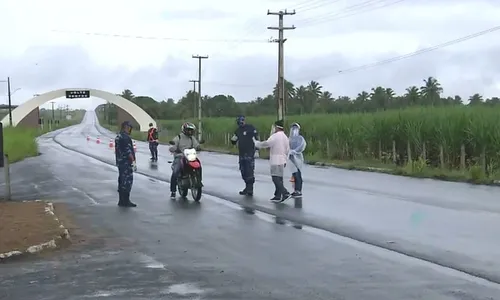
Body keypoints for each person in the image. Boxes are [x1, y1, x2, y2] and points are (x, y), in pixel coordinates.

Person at [254, 119, 291, 203]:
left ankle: (285, 193)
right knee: (280, 178)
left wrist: (258, 144)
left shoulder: (275, 136)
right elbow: (287, 149)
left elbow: (267, 143)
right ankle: (277, 195)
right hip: (282, 159)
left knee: (275, 178)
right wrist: (285, 159)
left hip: (275, 159)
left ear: (277, 127)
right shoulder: (285, 137)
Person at [169, 122, 200, 200]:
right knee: (175, 172)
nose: (190, 132)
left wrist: (199, 147)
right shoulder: (178, 138)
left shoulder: (192, 138)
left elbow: (196, 145)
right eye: (188, 130)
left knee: (199, 164)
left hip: (190, 156)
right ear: (184, 130)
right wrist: (174, 148)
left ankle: (198, 179)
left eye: (191, 130)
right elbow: (172, 146)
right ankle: (173, 191)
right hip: (180, 157)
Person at [230, 115, 258, 196]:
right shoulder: (238, 130)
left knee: (249, 171)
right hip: (242, 153)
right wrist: (233, 140)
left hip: (249, 153)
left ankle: (250, 188)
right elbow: (234, 140)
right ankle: (247, 187)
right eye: (239, 122)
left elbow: (256, 138)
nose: (240, 123)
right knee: (243, 171)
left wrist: (257, 149)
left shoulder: (250, 128)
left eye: (241, 121)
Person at [115, 121, 138, 207]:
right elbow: (128, 152)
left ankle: (121, 201)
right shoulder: (125, 137)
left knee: (121, 181)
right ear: (126, 127)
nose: (130, 129)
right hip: (126, 163)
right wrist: (133, 162)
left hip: (120, 162)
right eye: (129, 128)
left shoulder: (118, 136)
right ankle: (125, 201)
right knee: (127, 182)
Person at [288, 122, 307, 197]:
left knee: (298, 174)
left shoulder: (300, 138)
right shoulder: (290, 138)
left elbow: (302, 146)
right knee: (294, 174)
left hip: (297, 158)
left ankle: (299, 190)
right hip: (291, 158)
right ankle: (296, 190)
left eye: (295, 128)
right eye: (293, 128)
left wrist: (295, 151)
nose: (294, 130)